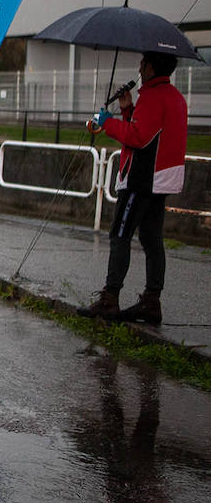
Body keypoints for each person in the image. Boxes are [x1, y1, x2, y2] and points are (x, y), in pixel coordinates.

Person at [78, 52, 188, 324]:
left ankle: (109, 299)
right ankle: (152, 302)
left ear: (150, 67)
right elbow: (150, 132)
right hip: (161, 179)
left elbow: (138, 138)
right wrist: (127, 110)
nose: (139, 67)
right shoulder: (175, 97)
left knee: (121, 234)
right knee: (152, 240)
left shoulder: (152, 97)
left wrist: (107, 122)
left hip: (141, 179)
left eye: (141, 63)